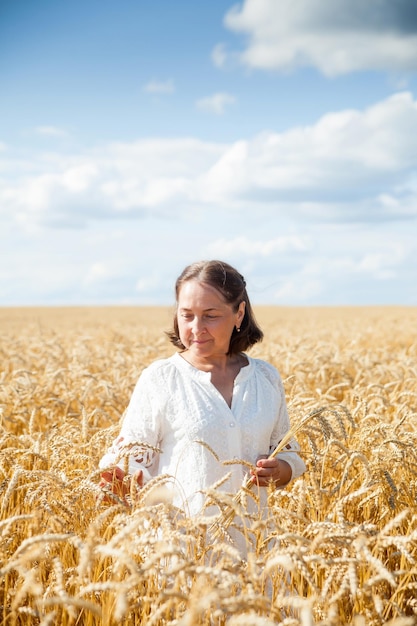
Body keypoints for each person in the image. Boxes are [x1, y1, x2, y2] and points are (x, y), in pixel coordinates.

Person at [99, 260, 306, 519]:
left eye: (211, 315)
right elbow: (128, 462)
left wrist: (279, 470)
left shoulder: (265, 377)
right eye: (187, 315)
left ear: (239, 314)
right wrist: (121, 479)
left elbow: (288, 454)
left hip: (253, 546)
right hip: (182, 547)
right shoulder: (161, 379)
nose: (197, 328)